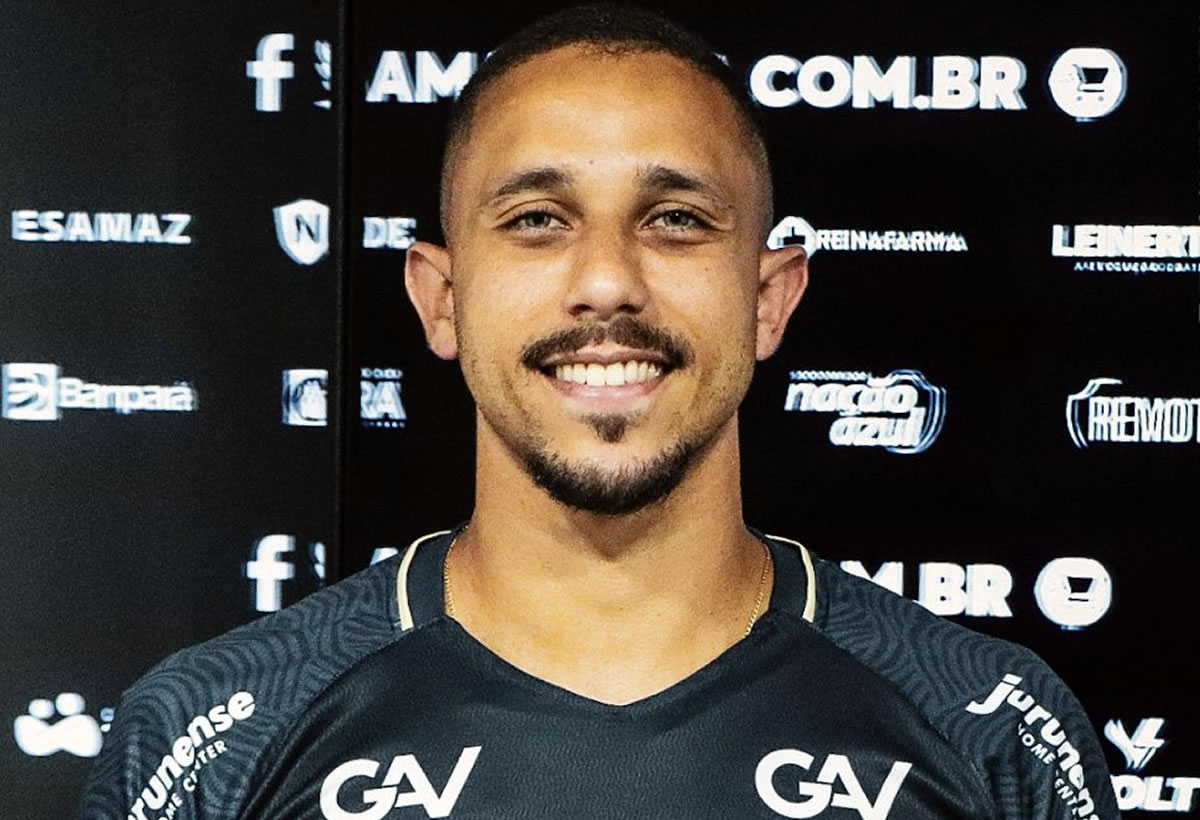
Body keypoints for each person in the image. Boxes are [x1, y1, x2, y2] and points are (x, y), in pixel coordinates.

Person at [82, 5, 1118, 818]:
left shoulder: (991, 730)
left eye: (676, 220)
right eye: (538, 220)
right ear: (441, 298)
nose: (608, 282)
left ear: (769, 299)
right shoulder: (216, 735)